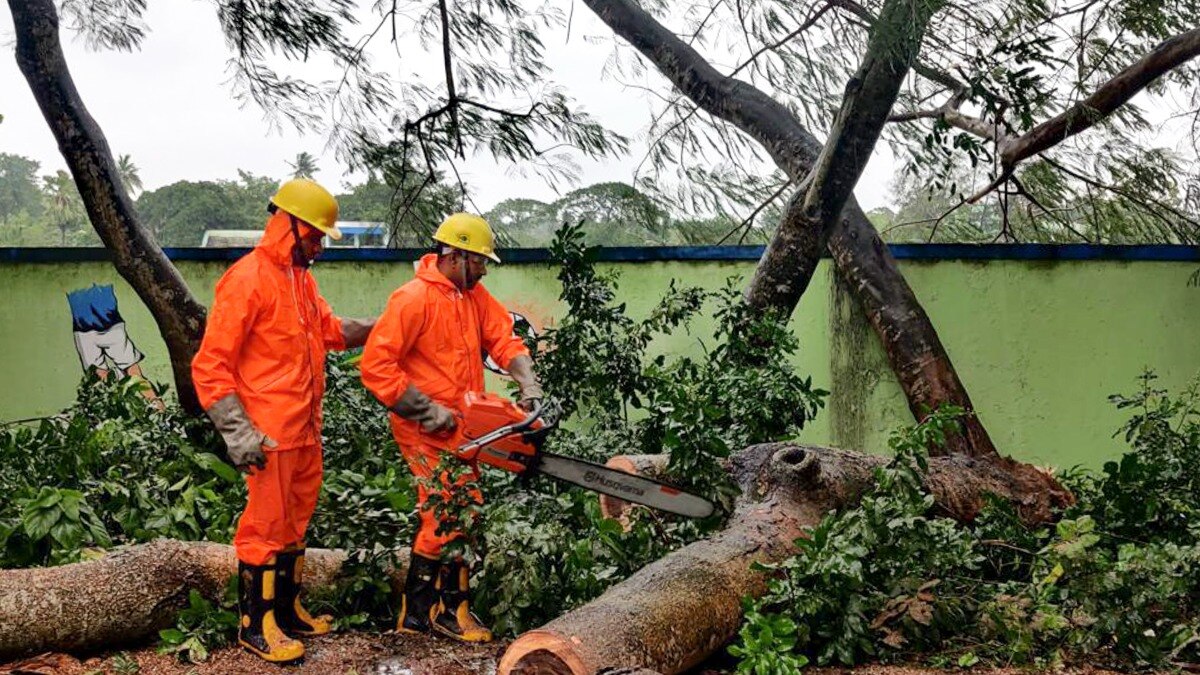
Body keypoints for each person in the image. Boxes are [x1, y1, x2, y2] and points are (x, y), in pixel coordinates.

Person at [191, 178, 375, 663]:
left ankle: (288, 610)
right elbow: (210, 364)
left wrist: (383, 328)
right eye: (314, 236)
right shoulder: (247, 279)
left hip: (305, 429)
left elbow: (330, 330)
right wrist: (237, 431)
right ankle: (256, 623)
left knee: (294, 525)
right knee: (264, 528)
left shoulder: (301, 280)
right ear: (289, 224)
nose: (318, 246)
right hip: (268, 433)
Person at [359, 212, 542, 643]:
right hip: (424, 425)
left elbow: (504, 338)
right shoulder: (412, 299)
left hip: (464, 423)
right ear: (455, 255)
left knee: (465, 507)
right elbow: (376, 367)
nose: (483, 269)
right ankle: (422, 615)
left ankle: (449, 609)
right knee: (446, 511)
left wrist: (528, 381)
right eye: (478, 261)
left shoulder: (473, 297)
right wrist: (426, 411)